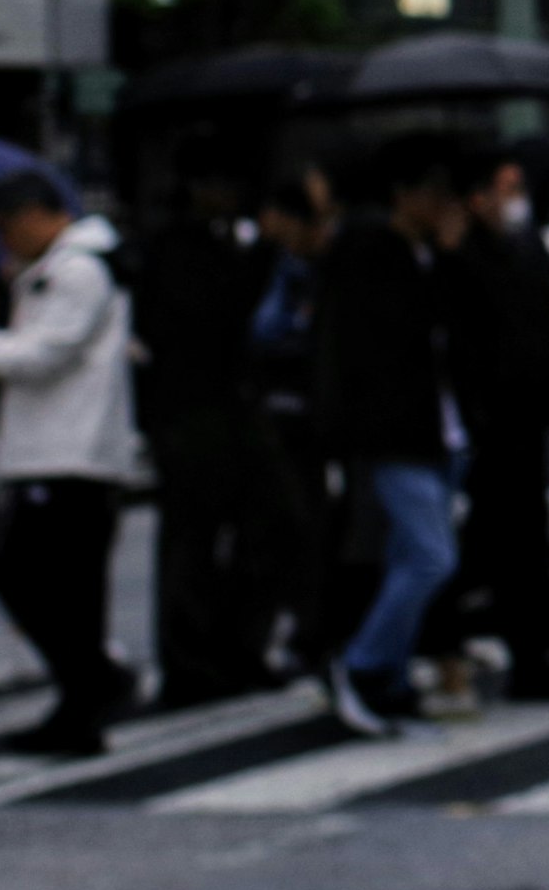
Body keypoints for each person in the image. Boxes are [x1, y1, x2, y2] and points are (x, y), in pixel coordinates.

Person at [0, 169, 143, 759]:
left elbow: (47, 355)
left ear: (36, 214)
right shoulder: (57, 269)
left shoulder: (76, 270)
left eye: (5, 226)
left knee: (33, 577)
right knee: (59, 587)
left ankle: (92, 686)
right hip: (57, 450)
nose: (3, 239)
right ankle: (84, 696)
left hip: (69, 452)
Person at [309, 134, 469, 738]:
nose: (442, 207)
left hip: (433, 427)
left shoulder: (419, 253)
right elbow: (387, 341)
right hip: (393, 430)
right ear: (406, 195)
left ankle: (390, 673)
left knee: (408, 554)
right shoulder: (371, 250)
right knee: (430, 556)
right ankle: (365, 663)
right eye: (434, 195)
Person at [139, 131, 291, 708]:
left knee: (263, 528)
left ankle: (235, 646)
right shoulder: (175, 248)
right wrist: (261, 256)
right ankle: (191, 660)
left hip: (228, 405)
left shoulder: (219, 243)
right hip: (190, 410)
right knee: (193, 540)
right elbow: (214, 318)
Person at [439, 142, 549, 703]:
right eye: (505, 190)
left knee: (516, 543)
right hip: (489, 422)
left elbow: (546, 333)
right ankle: (493, 649)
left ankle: (526, 655)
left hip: (525, 418)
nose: (515, 202)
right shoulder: (460, 258)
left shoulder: (527, 252)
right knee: (497, 544)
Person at [246, 166, 337, 680]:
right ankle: (295, 629)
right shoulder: (268, 266)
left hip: (311, 406)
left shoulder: (316, 267)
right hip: (276, 407)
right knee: (287, 528)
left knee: (311, 527)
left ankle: (312, 629)